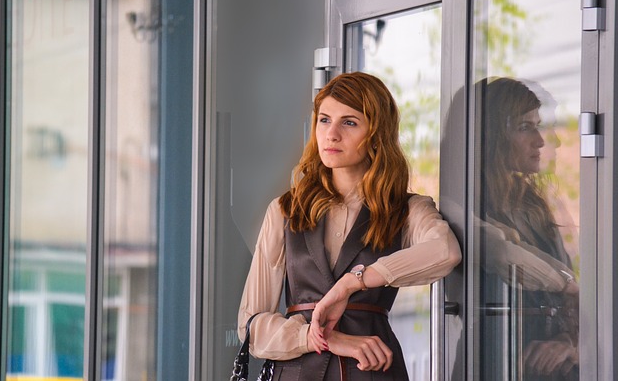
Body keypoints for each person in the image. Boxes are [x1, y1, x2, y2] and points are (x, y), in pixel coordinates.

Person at [237, 72, 462, 380]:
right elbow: (250, 326)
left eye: (350, 122)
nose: (331, 134)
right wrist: (321, 338)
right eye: (324, 120)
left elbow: (445, 252)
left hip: (373, 372)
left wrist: (353, 282)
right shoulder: (285, 210)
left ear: (377, 133)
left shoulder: (407, 209)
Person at [477, 77, 579, 380]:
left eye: (539, 125)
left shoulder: (536, 204)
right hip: (496, 361)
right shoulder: (469, 204)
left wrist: (569, 343)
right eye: (525, 127)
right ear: (494, 136)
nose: (542, 140)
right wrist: (566, 285)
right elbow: (500, 250)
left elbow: (580, 296)